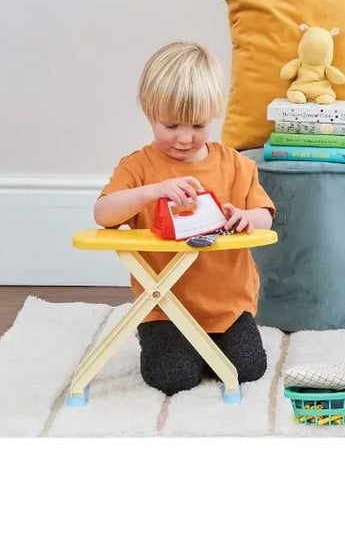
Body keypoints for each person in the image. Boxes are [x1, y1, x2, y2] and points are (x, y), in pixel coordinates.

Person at [94, 41, 275, 395]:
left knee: (249, 369)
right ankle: (167, 342)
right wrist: (152, 191)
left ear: (214, 115)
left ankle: (205, 348)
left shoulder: (237, 165)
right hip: (165, 306)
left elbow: (265, 218)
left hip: (227, 305)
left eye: (197, 125)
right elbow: (103, 214)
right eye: (171, 125)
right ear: (150, 113)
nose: (185, 137)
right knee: (175, 377)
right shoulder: (137, 167)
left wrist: (244, 216)